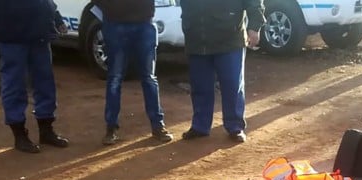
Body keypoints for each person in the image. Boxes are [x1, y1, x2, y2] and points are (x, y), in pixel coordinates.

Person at [0, 0, 70, 153]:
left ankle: (46, 130)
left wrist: (57, 18)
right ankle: (19, 135)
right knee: (14, 84)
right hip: (10, 34)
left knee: (45, 83)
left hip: (40, 32)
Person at [178, 0, 265, 144]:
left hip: (229, 37)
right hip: (197, 37)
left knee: (232, 84)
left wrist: (255, 26)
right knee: (200, 86)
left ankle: (235, 127)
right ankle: (200, 126)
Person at [94, 0, 173, 145]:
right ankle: (111, 128)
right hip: (117, 24)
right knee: (117, 79)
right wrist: (112, 11)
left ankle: (157, 126)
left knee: (145, 78)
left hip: (143, 24)